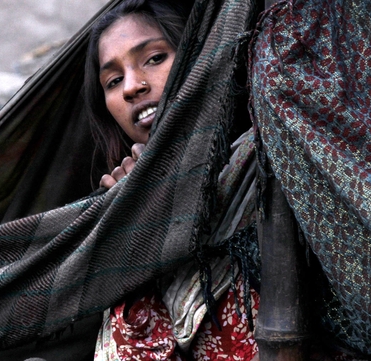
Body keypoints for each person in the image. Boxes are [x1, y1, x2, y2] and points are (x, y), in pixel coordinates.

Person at [81, 1, 260, 360]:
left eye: (154, 58)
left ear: (197, 59)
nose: (132, 87)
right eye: (114, 81)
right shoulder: (120, 215)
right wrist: (137, 227)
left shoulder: (267, 166)